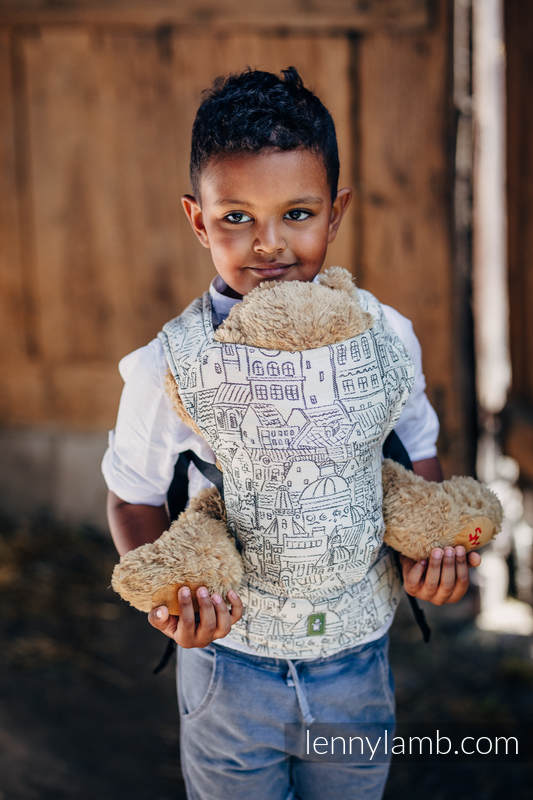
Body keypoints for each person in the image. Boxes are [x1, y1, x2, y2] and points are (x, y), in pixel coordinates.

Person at [102, 66, 481, 799]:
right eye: (235, 217)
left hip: (356, 661)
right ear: (196, 218)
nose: (268, 244)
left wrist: (437, 559)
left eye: (297, 214)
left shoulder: (384, 336)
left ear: (335, 212)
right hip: (229, 667)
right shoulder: (170, 365)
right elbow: (131, 496)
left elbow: (418, 464)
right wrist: (169, 599)